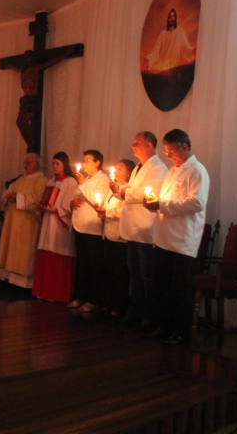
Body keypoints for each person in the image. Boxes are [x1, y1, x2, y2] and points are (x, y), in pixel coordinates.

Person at [144, 129, 210, 345]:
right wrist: (154, 201)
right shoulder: (172, 171)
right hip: (164, 237)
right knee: (161, 286)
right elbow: (166, 198)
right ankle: (162, 326)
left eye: (172, 151)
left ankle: (179, 332)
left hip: (183, 241)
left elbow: (196, 203)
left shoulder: (197, 171)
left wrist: (162, 205)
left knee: (179, 290)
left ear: (185, 147)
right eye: (167, 152)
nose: (169, 156)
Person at [110, 131, 167, 333]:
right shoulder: (138, 168)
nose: (133, 146)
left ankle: (148, 316)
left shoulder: (158, 168)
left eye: (137, 143)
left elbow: (148, 193)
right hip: (133, 228)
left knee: (146, 275)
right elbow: (132, 191)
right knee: (135, 274)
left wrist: (124, 190)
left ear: (149, 145)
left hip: (145, 229)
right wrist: (119, 190)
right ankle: (135, 311)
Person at [0, 153, 48, 288]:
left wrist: (17, 198)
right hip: (13, 223)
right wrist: (8, 197)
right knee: (11, 251)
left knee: (24, 254)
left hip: (28, 224)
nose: (25, 166)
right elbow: (6, 192)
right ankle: (9, 279)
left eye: (28, 163)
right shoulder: (21, 180)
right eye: (24, 163)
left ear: (36, 164)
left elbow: (38, 200)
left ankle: (24, 283)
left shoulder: (42, 181)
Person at [32, 152, 79, 302]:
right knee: (46, 253)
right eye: (53, 163)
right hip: (48, 221)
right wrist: (43, 205)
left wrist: (57, 210)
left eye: (57, 163)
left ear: (65, 164)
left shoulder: (71, 182)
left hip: (59, 224)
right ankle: (43, 291)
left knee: (57, 256)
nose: (54, 166)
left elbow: (69, 205)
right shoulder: (51, 181)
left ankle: (56, 293)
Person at [68, 150, 111, 313]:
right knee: (82, 264)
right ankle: (80, 296)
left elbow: (96, 200)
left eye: (88, 160)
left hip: (93, 229)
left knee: (94, 265)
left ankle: (93, 300)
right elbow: (78, 197)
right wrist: (72, 203)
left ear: (97, 163)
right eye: (84, 160)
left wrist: (83, 183)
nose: (84, 163)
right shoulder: (87, 180)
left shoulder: (103, 179)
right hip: (80, 226)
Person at [98, 159, 136, 318]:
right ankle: (108, 302)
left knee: (121, 274)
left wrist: (107, 211)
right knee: (109, 271)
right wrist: (101, 209)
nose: (117, 171)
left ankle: (119, 306)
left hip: (121, 238)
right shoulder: (113, 188)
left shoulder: (129, 190)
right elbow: (108, 206)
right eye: (117, 168)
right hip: (109, 235)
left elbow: (124, 212)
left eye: (121, 169)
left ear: (129, 173)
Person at [143, 8, 196, 72]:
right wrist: (149, 59)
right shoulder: (163, 34)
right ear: (168, 19)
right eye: (170, 17)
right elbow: (156, 51)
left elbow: (185, 47)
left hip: (175, 68)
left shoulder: (179, 31)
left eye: (173, 16)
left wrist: (192, 51)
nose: (172, 19)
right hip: (164, 69)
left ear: (175, 18)